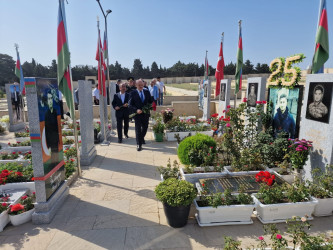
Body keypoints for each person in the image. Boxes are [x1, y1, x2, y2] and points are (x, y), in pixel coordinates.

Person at [129, 79, 153, 151]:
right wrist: (136, 110)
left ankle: (141, 138)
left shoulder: (146, 91)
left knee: (145, 128)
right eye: (139, 85)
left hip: (146, 114)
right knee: (138, 129)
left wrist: (150, 106)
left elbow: (150, 102)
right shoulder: (132, 93)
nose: (141, 86)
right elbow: (130, 105)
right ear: (136, 85)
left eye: (142, 85)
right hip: (137, 115)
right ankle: (139, 144)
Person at [44, 89, 60, 168]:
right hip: (50, 138)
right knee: (52, 153)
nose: (50, 101)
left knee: (56, 152)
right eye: (49, 99)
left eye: (51, 98)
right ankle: (53, 164)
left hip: (56, 136)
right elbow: (46, 128)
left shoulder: (55, 112)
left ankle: (56, 163)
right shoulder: (46, 114)